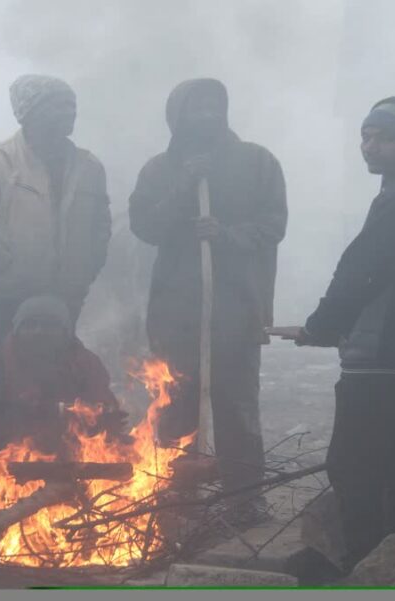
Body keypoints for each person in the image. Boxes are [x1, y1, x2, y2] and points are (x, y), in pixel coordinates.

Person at [269, 96, 395, 569]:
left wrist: (321, 326)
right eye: (366, 135)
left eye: (386, 138)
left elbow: (361, 272)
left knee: (358, 469)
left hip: (385, 359)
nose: (370, 147)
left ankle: (366, 565)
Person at [128, 78, 287, 522]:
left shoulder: (258, 163)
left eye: (214, 106)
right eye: (195, 108)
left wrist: (227, 236)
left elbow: (274, 224)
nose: (206, 116)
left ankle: (245, 498)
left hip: (237, 305)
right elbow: (145, 226)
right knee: (176, 402)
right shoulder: (158, 170)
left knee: (237, 404)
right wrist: (184, 187)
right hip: (176, 311)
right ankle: (177, 495)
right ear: (176, 117)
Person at [0, 75, 112, 354]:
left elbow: (101, 223)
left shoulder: (89, 166)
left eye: (71, 105)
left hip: (66, 296)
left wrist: (91, 264)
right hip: (5, 295)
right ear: (29, 113)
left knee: (58, 378)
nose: (69, 112)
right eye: (57, 105)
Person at [0, 296, 127, 504]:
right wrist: (38, 411)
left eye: (49, 325)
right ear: (17, 329)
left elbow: (100, 404)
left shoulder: (85, 363)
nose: (39, 332)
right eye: (31, 324)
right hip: (3, 445)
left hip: (64, 446)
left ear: (65, 331)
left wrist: (101, 417)